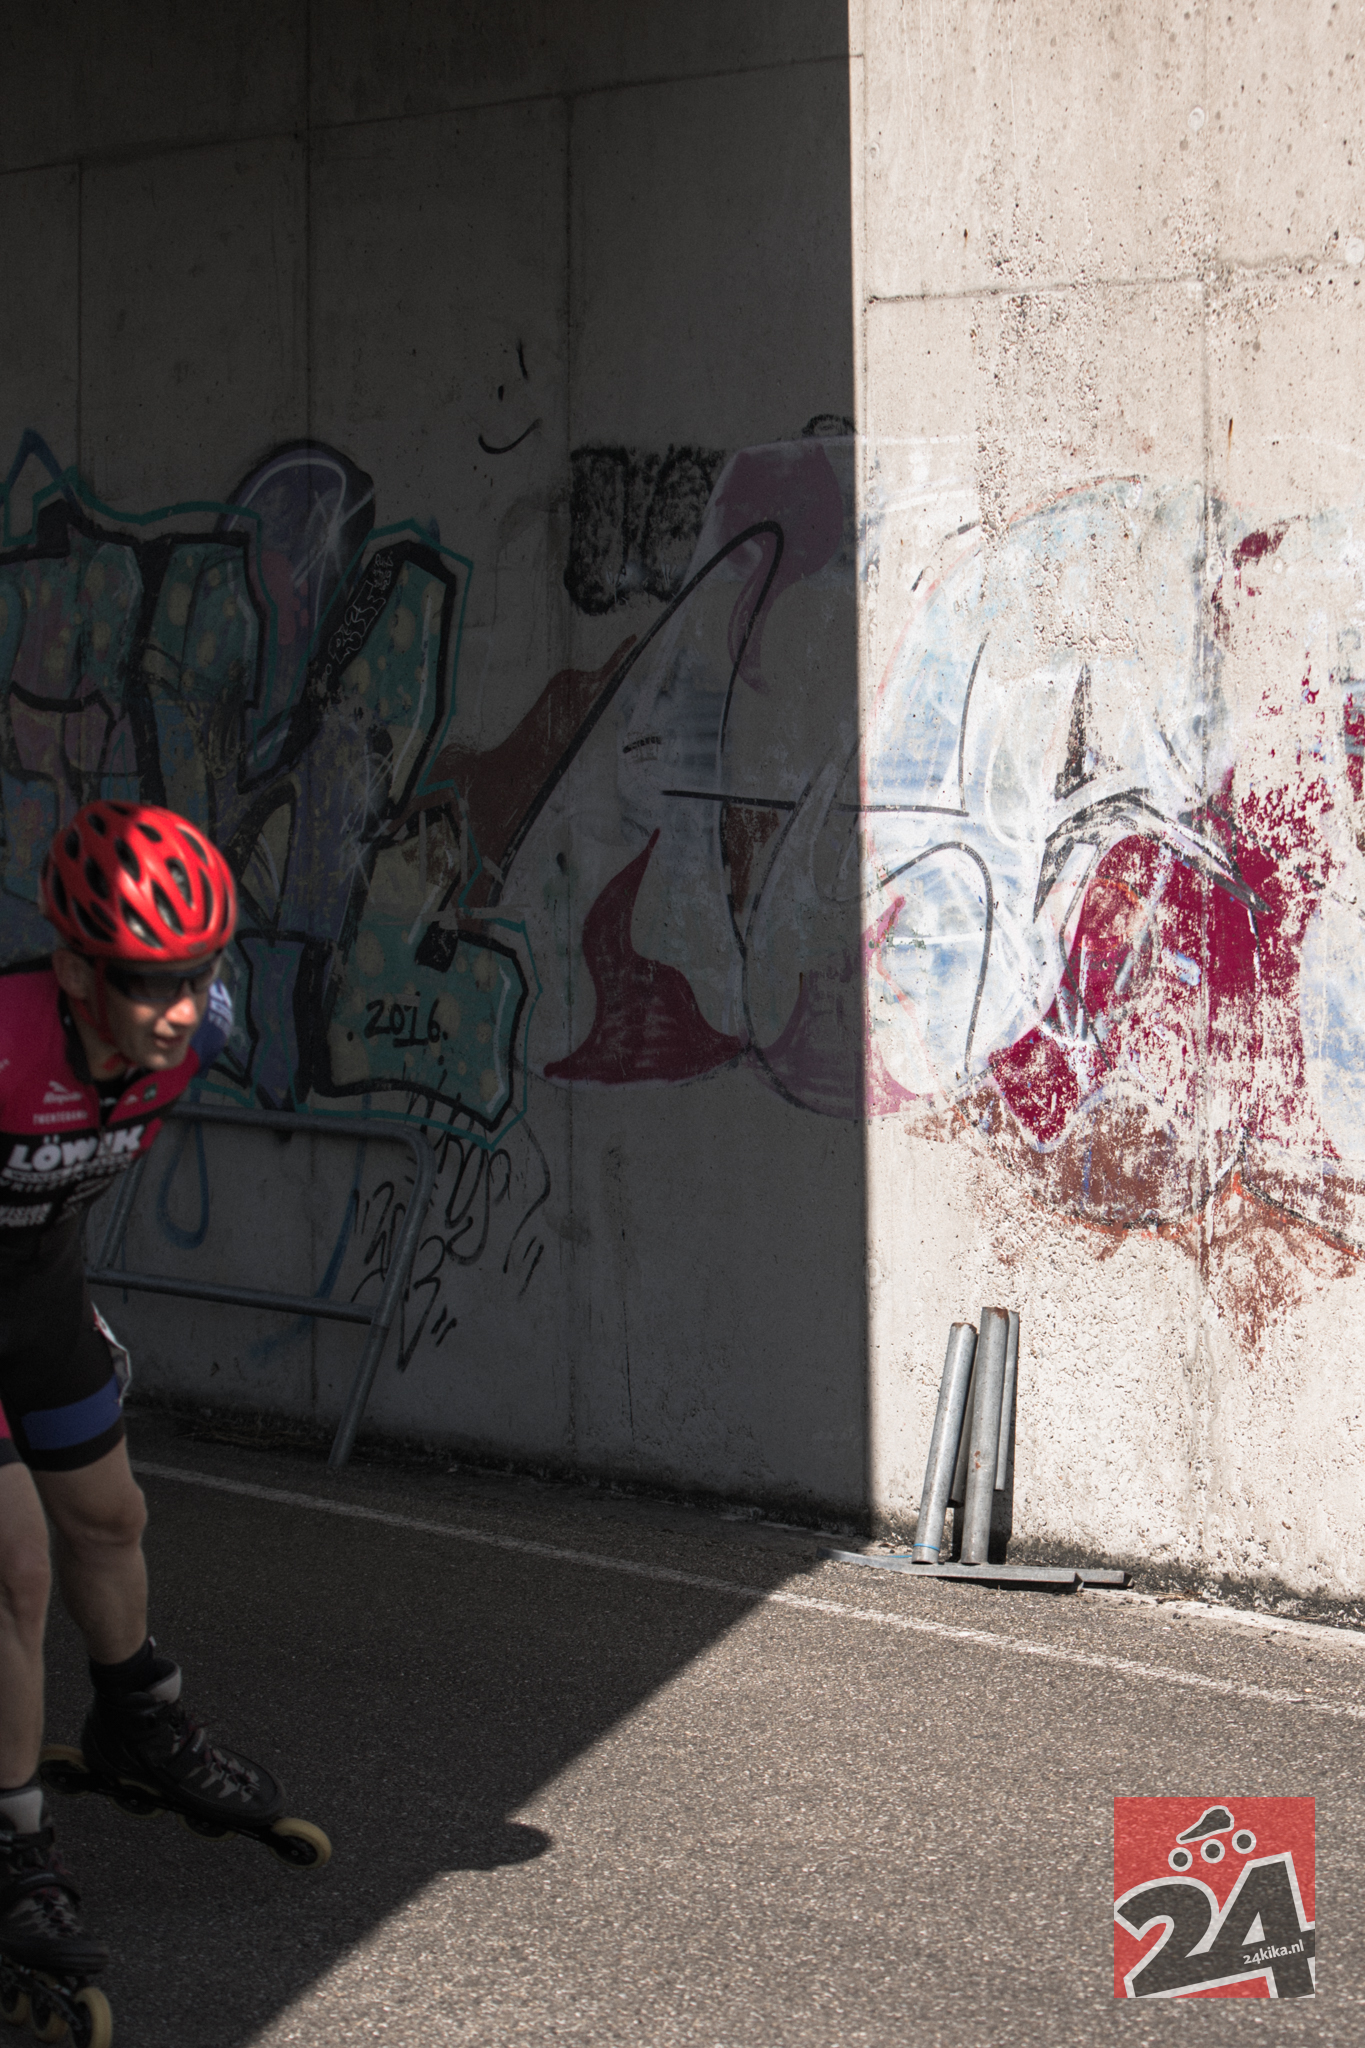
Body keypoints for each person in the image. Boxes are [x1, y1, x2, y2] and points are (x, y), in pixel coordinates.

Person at [0, 801, 294, 2004]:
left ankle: (137, 1718)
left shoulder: (200, 1031)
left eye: (198, 972)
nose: (179, 1006)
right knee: (15, 1562)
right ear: (74, 969)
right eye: (146, 980)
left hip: (38, 1299)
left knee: (110, 1517)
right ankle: (12, 1839)